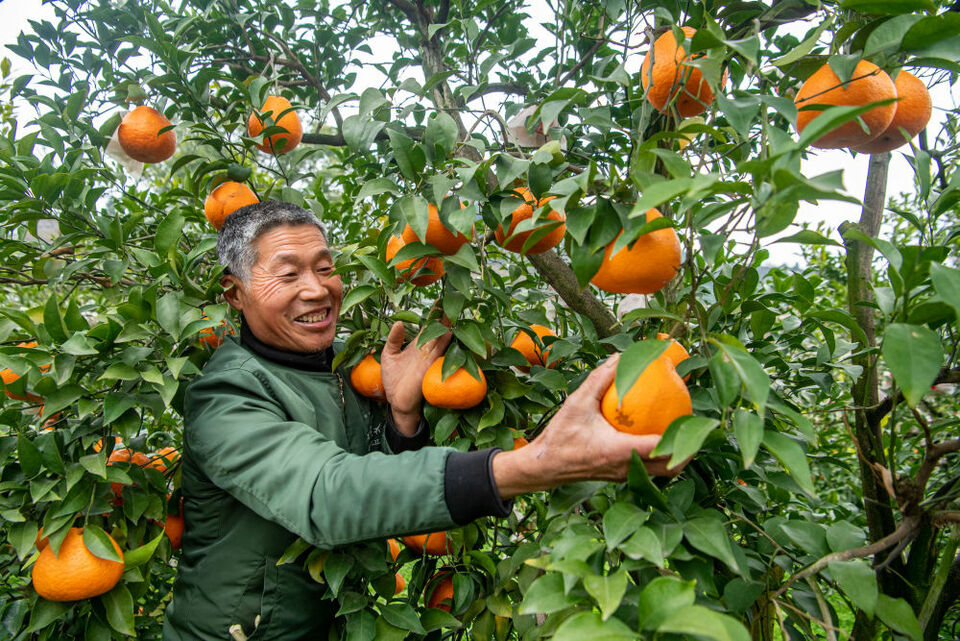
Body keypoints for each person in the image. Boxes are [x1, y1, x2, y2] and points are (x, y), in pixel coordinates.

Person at [162, 201, 680, 640]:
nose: (318, 289)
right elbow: (328, 493)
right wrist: (527, 466)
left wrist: (402, 413)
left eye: (324, 268)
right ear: (234, 293)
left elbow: (377, 483)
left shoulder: (344, 365)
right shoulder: (225, 395)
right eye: (288, 272)